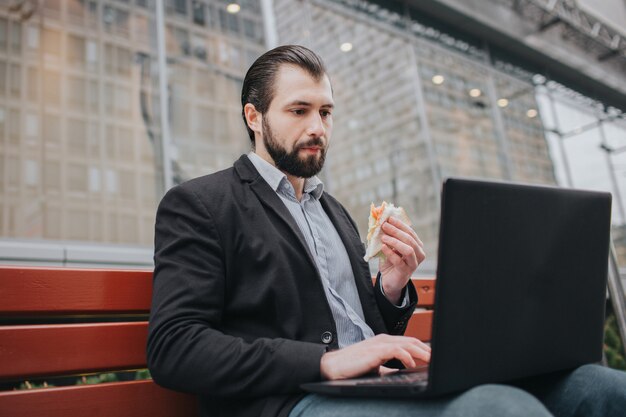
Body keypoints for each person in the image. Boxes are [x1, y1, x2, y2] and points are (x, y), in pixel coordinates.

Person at [147, 45, 626, 417]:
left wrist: (391, 287)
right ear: (254, 117)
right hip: (292, 400)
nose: (318, 126)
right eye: (299, 111)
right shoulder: (201, 205)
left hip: (379, 383)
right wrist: (321, 361)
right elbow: (174, 346)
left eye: (326, 112)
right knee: (498, 408)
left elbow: (359, 326)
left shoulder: (331, 209)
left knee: (599, 387)